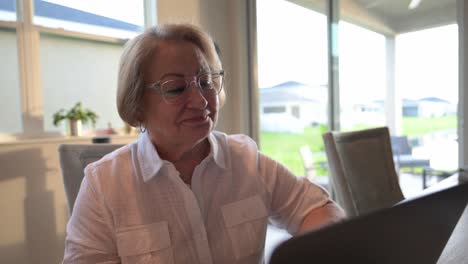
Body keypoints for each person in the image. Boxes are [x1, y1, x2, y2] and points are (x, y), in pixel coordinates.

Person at [62, 23, 345, 264]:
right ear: (137, 104)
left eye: (206, 82)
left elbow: (322, 211)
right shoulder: (104, 185)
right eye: (176, 88)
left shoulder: (246, 161)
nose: (200, 100)